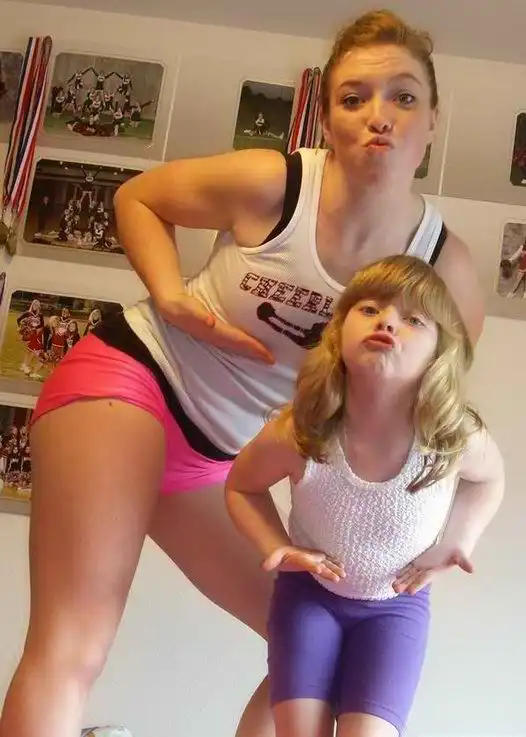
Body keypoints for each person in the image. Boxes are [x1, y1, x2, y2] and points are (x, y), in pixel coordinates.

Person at [0, 9, 485, 737]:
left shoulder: (446, 270)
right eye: (354, 98)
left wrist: (436, 530)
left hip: (217, 458)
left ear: (433, 120)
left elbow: (430, 414)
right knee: (76, 642)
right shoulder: (276, 182)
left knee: (311, 650)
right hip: (132, 380)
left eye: (404, 97)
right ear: (326, 117)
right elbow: (138, 198)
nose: (379, 116)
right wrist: (172, 296)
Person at [226, 255, 504, 737]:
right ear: (338, 333)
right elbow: (241, 486)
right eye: (370, 309)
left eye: (413, 319)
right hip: (308, 600)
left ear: (439, 351)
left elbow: (490, 479)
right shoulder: (301, 432)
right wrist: (278, 546)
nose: (387, 322)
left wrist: (458, 539)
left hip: (395, 608)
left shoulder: (451, 436)